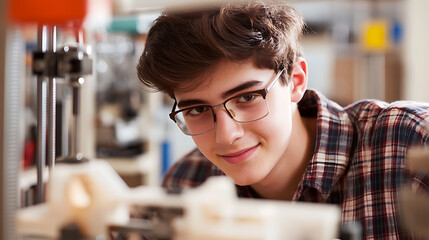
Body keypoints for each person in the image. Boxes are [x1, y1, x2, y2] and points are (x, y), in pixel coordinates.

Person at [136, 1, 429, 239]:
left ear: (296, 81)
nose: (226, 136)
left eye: (247, 97)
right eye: (197, 110)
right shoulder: (187, 182)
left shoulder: (412, 142)